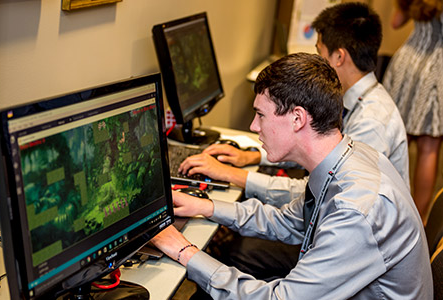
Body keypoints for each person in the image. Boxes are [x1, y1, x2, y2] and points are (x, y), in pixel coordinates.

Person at [152, 52, 432, 299]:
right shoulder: (347, 157)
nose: (253, 126)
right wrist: (206, 207)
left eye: (260, 115)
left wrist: (183, 250)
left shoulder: (356, 209)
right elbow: (288, 221)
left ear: (297, 118)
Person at [179, 2, 410, 197]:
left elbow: (321, 193)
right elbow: (318, 151)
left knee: (242, 245)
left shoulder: (372, 122)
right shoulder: (359, 101)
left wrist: (232, 174)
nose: (316, 60)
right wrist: (252, 156)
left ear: (339, 57)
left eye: (320, 52)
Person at [382, 0, 443, 222]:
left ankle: (383, 207)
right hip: (436, 68)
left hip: (407, 63)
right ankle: (417, 220)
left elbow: (396, 22)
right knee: (429, 147)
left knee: (396, 138)